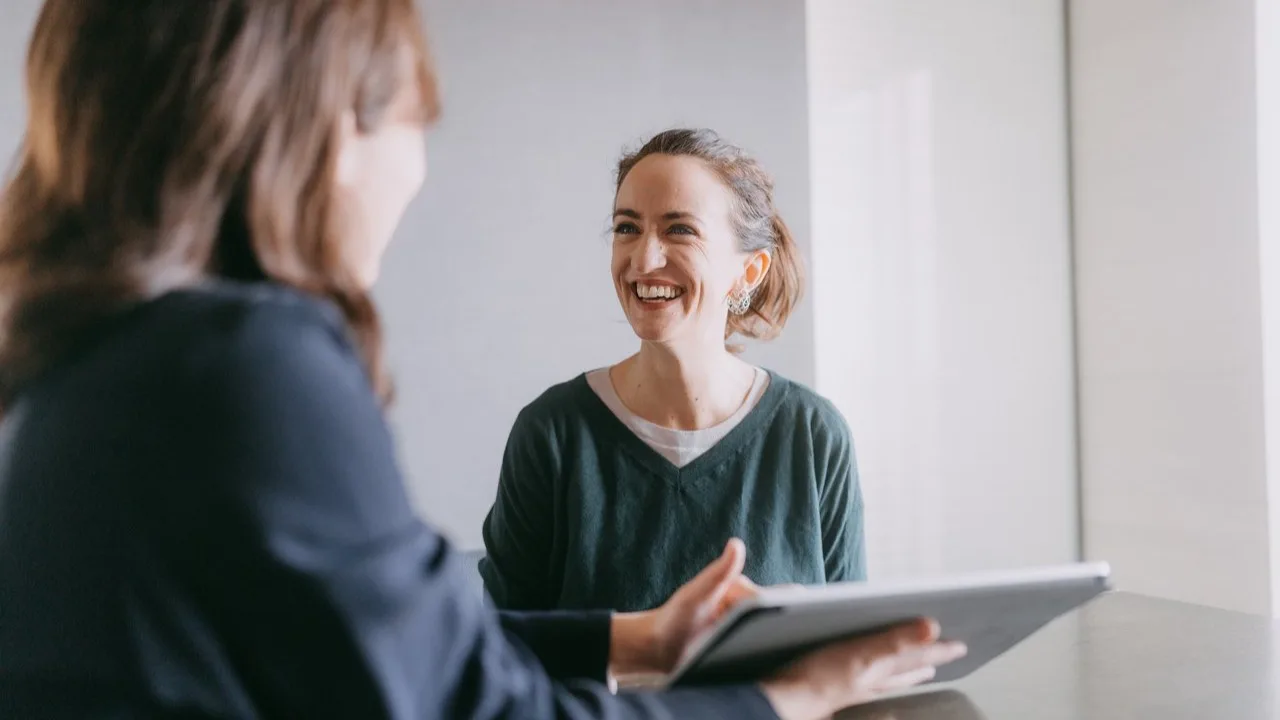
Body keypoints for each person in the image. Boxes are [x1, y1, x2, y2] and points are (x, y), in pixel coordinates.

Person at [0, 2, 965, 718]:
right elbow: (473, 706)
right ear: (312, 127)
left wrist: (634, 637)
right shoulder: (245, 367)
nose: (417, 171)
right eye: (409, 117)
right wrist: (782, 703)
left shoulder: (97, 355)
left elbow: (410, 650)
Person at [480, 128, 865, 613]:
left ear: (749, 271)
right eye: (627, 228)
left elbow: (850, 649)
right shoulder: (551, 433)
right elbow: (499, 653)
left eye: (679, 229)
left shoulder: (813, 435)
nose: (644, 259)